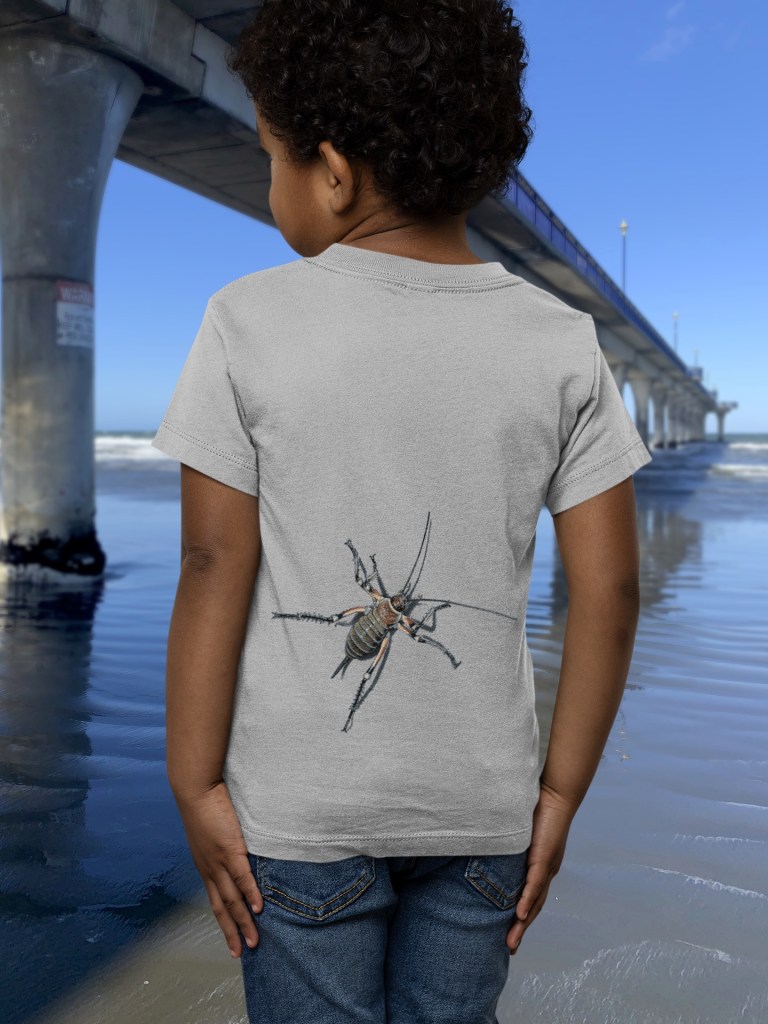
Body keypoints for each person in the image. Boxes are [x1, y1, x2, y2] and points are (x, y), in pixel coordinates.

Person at [151, 2, 653, 1021]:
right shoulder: (563, 341)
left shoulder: (245, 320)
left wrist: (195, 781)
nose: (271, 185)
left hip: (298, 816)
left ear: (331, 171)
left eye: (272, 160)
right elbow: (611, 587)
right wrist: (558, 796)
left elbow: (213, 562)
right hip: (483, 818)